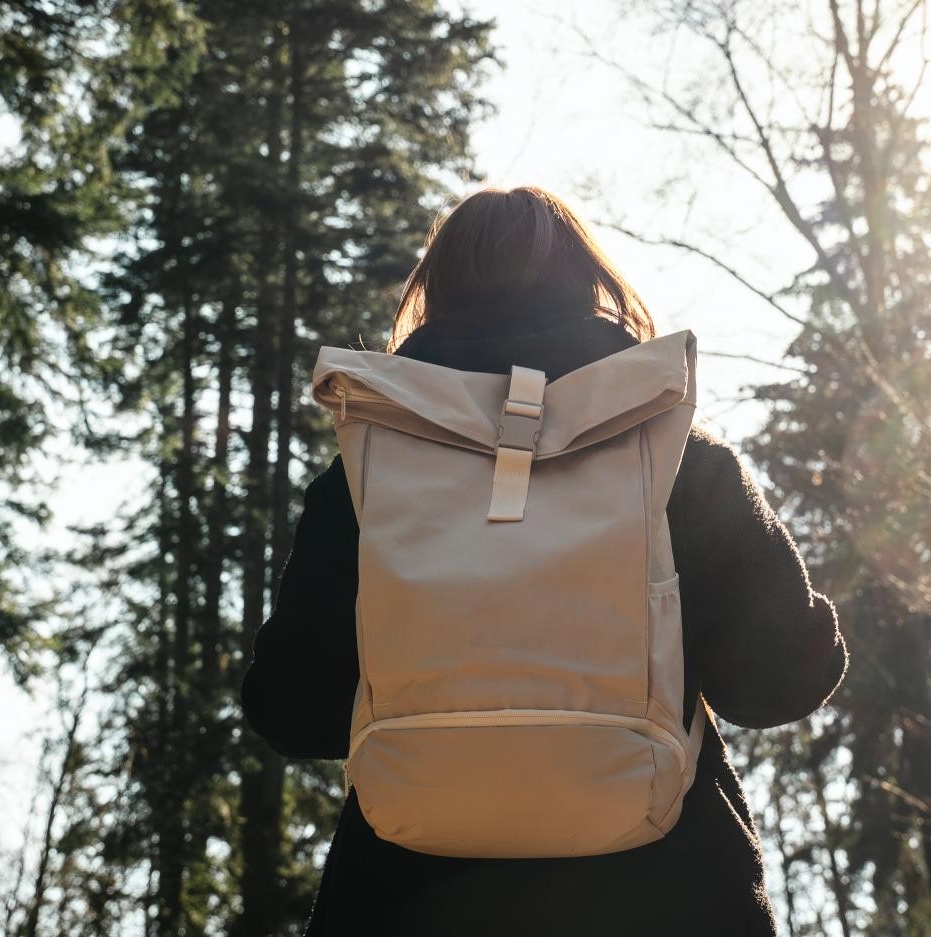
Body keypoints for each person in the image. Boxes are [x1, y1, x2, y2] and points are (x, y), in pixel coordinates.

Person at [240, 185, 847, 936]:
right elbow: (779, 682)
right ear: (593, 287)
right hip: (670, 900)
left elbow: (293, 709)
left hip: (405, 903)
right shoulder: (679, 457)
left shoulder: (364, 476)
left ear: (432, 296)